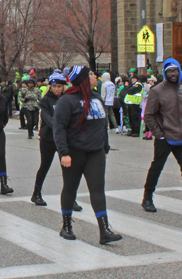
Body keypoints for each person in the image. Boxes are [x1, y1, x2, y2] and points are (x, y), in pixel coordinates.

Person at [53, 66, 122, 244]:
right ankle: (66, 226)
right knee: (70, 188)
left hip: (95, 152)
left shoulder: (97, 98)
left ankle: (104, 230)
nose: (95, 76)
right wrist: (64, 153)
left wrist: (105, 147)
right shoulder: (66, 101)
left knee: (97, 190)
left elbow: (103, 125)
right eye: (91, 74)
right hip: (73, 153)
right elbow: (58, 129)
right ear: (83, 79)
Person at [141, 58, 182, 216]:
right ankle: (147, 199)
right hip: (165, 138)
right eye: (169, 71)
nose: (173, 74)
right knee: (156, 168)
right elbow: (149, 116)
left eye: (175, 71)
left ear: (179, 72)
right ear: (165, 73)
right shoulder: (157, 91)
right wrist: (160, 134)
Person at [31, 70, 83, 211]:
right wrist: (59, 125)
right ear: (50, 87)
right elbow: (48, 119)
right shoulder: (45, 100)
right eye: (54, 86)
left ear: (63, 87)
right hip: (48, 138)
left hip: (64, 139)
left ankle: (71, 198)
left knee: (68, 169)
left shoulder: (67, 99)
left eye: (59, 86)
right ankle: (36, 193)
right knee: (45, 166)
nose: (56, 89)